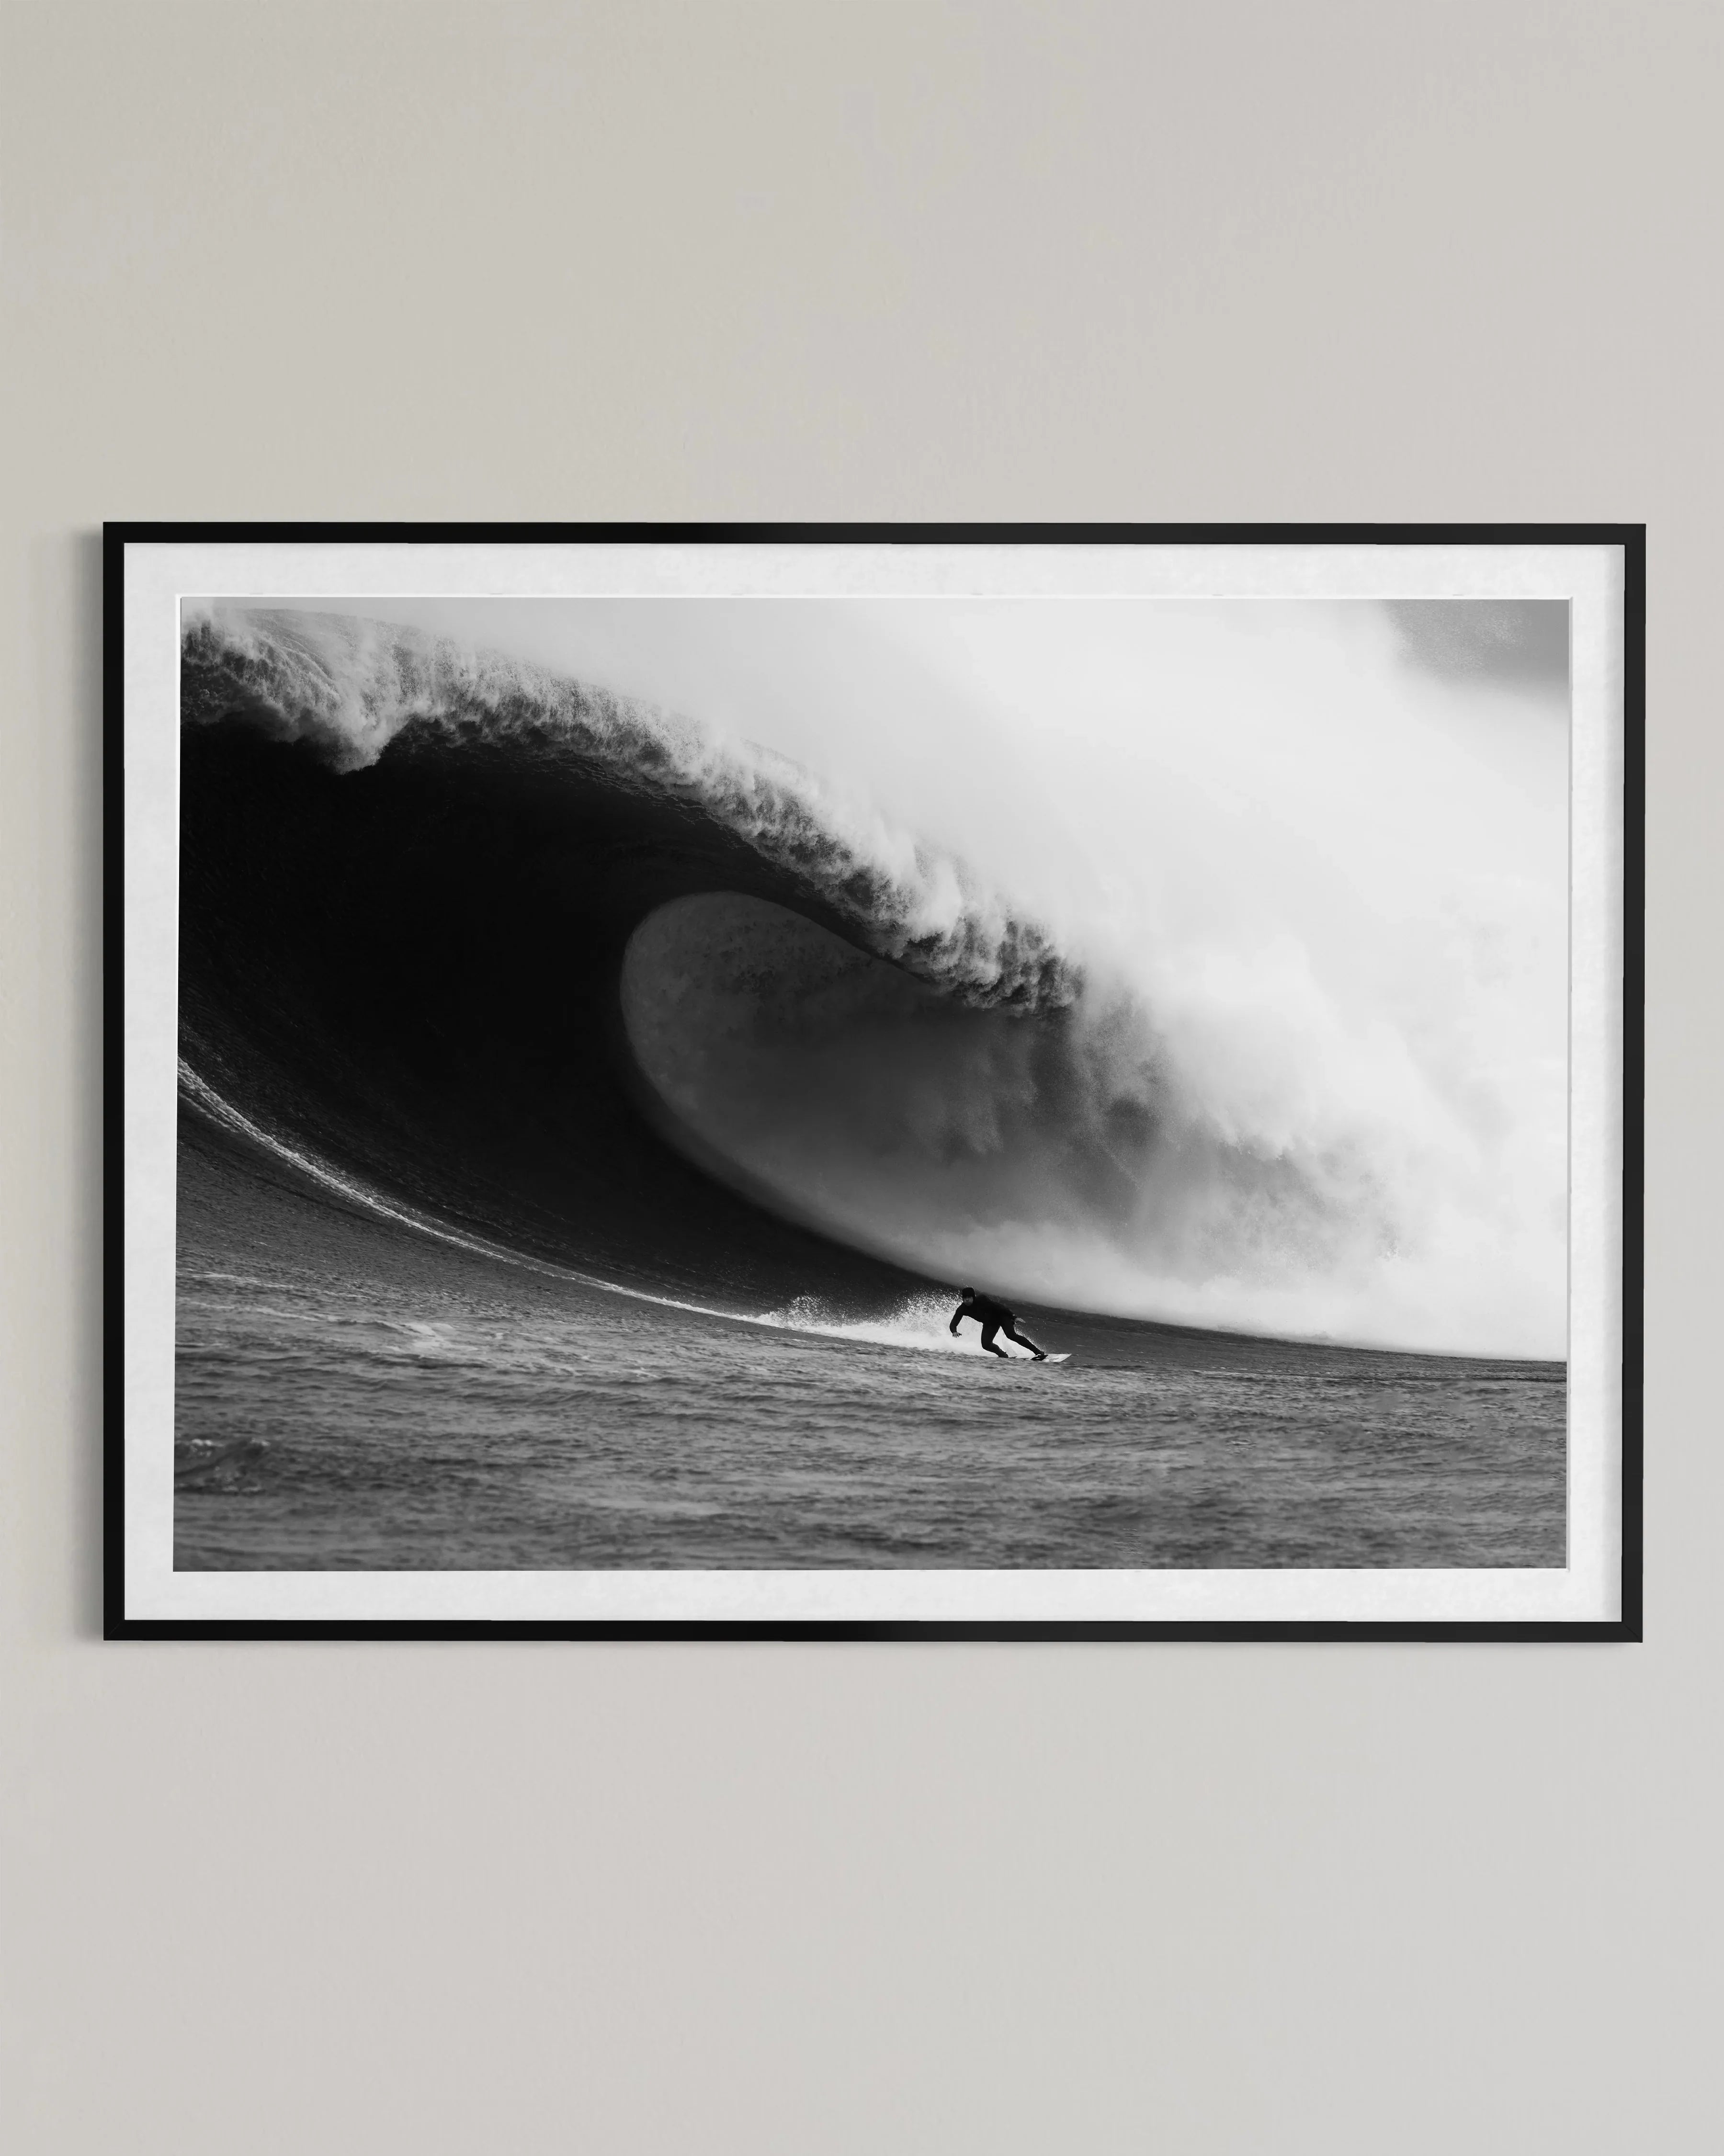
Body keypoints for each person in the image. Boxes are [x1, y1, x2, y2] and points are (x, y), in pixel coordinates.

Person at [949, 1287, 1047, 1360]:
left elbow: (998, 1307)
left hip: (1002, 1317)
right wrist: (954, 1331)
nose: (967, 1300)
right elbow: (954, 1322)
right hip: (990, 1324)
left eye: (969, 1298)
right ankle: (1003, 1355)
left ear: (974, 1297)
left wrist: (1013, 1317)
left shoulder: (981, 1299)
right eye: (965, 1298)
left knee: (1011, 1335)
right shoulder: (962, 1309)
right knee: (986, 1345)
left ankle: (1038, 1352)